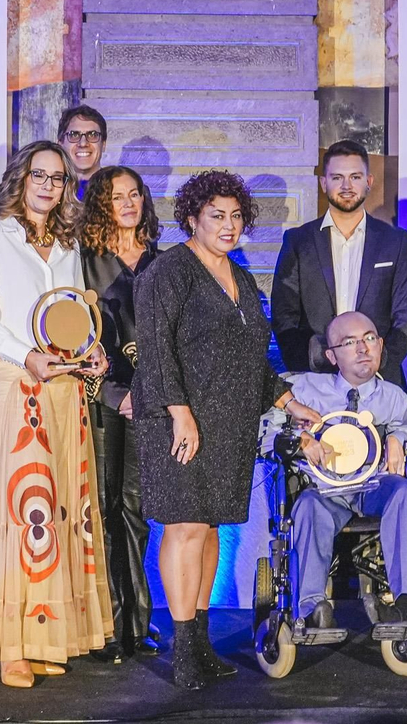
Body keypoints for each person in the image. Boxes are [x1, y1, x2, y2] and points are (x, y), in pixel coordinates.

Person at [133, 169, 321, 689]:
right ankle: (182, 648)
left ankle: (200, 644)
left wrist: (287, 400)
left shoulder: (238, 275)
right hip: (179, 423)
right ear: (192, 218)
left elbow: (250, 356)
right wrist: (179, 411)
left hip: (230, 423)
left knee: (212, 528)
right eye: (217, 215)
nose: (229, 225)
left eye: (237, 216)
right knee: (184, 528)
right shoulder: (168, 272)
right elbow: (155, 349)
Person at [0, 141, 114, 686]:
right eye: (38, 175)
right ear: (18, 180)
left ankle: (49, 638)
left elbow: (66, 321)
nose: (48, 185)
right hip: (12, 385)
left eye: (59, 178)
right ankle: (10, 645)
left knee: (60, 509)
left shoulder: (67, 246)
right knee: (22, 512)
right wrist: (29, 357)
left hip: (63, 391)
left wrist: (86, 353)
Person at [267, 312, 407, 630]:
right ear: (330, 355)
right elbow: (267, 433)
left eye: (370, 339)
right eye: (350, 342)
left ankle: (405, 602)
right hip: (324, 492)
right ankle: (312, 606)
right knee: (308, 505)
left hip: (373, 489)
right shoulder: (305, 389)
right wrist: (299, 438)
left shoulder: (392, 397)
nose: (363, 348)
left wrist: (399, 437)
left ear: (381, 345)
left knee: (406, 492)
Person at [79, 164, 164, 661]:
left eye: (135, 194)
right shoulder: (83, 262)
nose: (128, 203)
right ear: (101, 205)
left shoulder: (163, 261)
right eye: (116, 196)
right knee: (102, 510)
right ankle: (106, 626)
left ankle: (140, 624)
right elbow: (72, 332)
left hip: (149, 402)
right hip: (97, 400)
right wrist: (112, 391)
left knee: (135, 509)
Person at [272, 139, 407, 387]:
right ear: (323, 183)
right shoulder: (299, 241)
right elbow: (283, 315)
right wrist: (305, 364)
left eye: (355, 177)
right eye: (337, 177)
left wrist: (378, 362)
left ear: (368, 182)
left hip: (381, 381)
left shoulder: (395, 241)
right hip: (315, 381)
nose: (346, 186)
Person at [58, 104, 108, 198]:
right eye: (74, 135)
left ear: (103, 144)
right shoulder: (48, 191)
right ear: (60, 144)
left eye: (92, 135)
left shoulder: (123, 189)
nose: (83, 143)